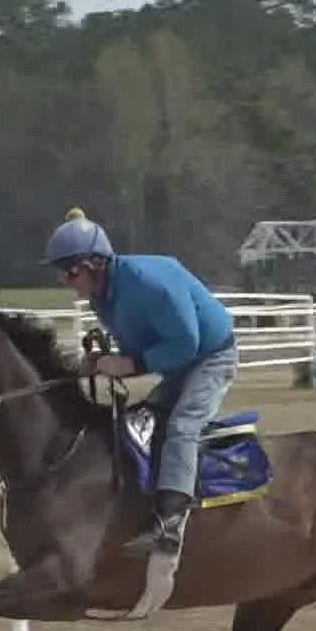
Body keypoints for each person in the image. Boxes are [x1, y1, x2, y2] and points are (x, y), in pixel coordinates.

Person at [41, 208, 238, 555]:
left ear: (93, 264)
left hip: (210, 357)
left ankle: (171, 525)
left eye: (68, 272)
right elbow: (139, 346)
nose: (64, 281)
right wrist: (103, 362)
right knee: (142, 422)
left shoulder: (149, 283)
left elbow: (186, 342)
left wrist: (130, 363)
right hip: (180, 359)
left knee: (182, 426)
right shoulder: (103, 297)